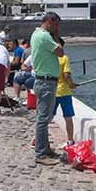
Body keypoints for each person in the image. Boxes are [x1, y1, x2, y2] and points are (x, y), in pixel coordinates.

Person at [31, 12, 65, 165]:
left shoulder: (36, 34)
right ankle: (40, 153)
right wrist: (56, 35)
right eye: (57, 25)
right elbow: (60, 52)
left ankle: (45, 148)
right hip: (46, 83)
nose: (58, 28)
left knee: (43, 117)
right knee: (43, 119)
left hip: (42, 81)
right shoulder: (45, 37)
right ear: (50, 22)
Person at [55, 39, 78, 146]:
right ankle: (70, 141)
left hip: (52, 91)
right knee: (68, 117)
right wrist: (71, 84)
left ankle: (38, 139)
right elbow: (66, 75)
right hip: (64, 92)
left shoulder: (50, 58)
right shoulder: (65, 58)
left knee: (47, 117)